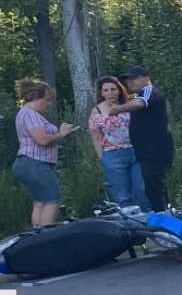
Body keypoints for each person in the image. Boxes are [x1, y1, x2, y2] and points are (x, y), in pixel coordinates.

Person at [12, 78, 78, 227]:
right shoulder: (30, 114)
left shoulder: (27, 113)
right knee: (52, 200)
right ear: (36, 97)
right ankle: (46, 236)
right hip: (34, 163)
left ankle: (37, 236)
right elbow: (41, 140)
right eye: (47, 100)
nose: (48, 104)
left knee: (40, 202)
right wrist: (62, 134)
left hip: (28, 164)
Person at [109, 66, 175, 211]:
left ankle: (163, 216)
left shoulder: (148, 91)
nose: (130, 83)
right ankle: (167, 213)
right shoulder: (138, 94)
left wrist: (119, 109)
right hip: (147, 150)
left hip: (155, 149)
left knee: (153, 187)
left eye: (134, 78)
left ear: (146, 77)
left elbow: (140, 103)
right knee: (155, 186)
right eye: (128, 80)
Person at [88, 76, 150, 211]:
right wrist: (102, 158)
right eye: (106, 90)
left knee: (141, 190)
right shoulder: (97, 111)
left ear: (119, 90)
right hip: (112, 155)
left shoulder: (130, 104)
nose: (110, 93)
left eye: (113, 89)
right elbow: (95, 136)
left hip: (136, 153)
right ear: (101, 93)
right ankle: (129, 226)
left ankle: (149, 222)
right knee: (121, 195)